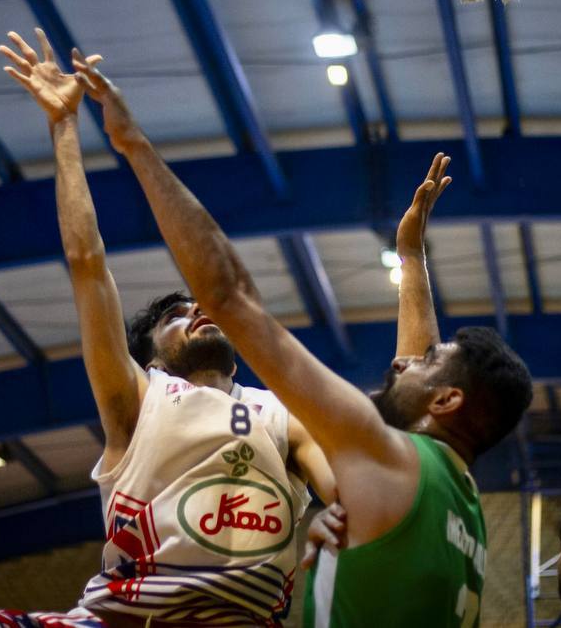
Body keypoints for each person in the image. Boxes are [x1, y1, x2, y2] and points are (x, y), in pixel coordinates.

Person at [0, 30, 333, 628]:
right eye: (176, 315)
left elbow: (353, 488)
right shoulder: (140, 398)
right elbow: (87, 264)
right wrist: (64, 127)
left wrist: (346, 512)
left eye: (202, 307)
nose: (198, 312)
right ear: (151, 358)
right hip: (115, 622)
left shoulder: (284, 414)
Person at [71, 53, 533, 628]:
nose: (400, 365)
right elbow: (88, 267)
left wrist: (133, 143)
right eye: (175, 314)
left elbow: (227, 293)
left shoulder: (296, 421)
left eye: (426, 363)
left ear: (446, 400)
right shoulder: (454, 497)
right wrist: (411, 258)